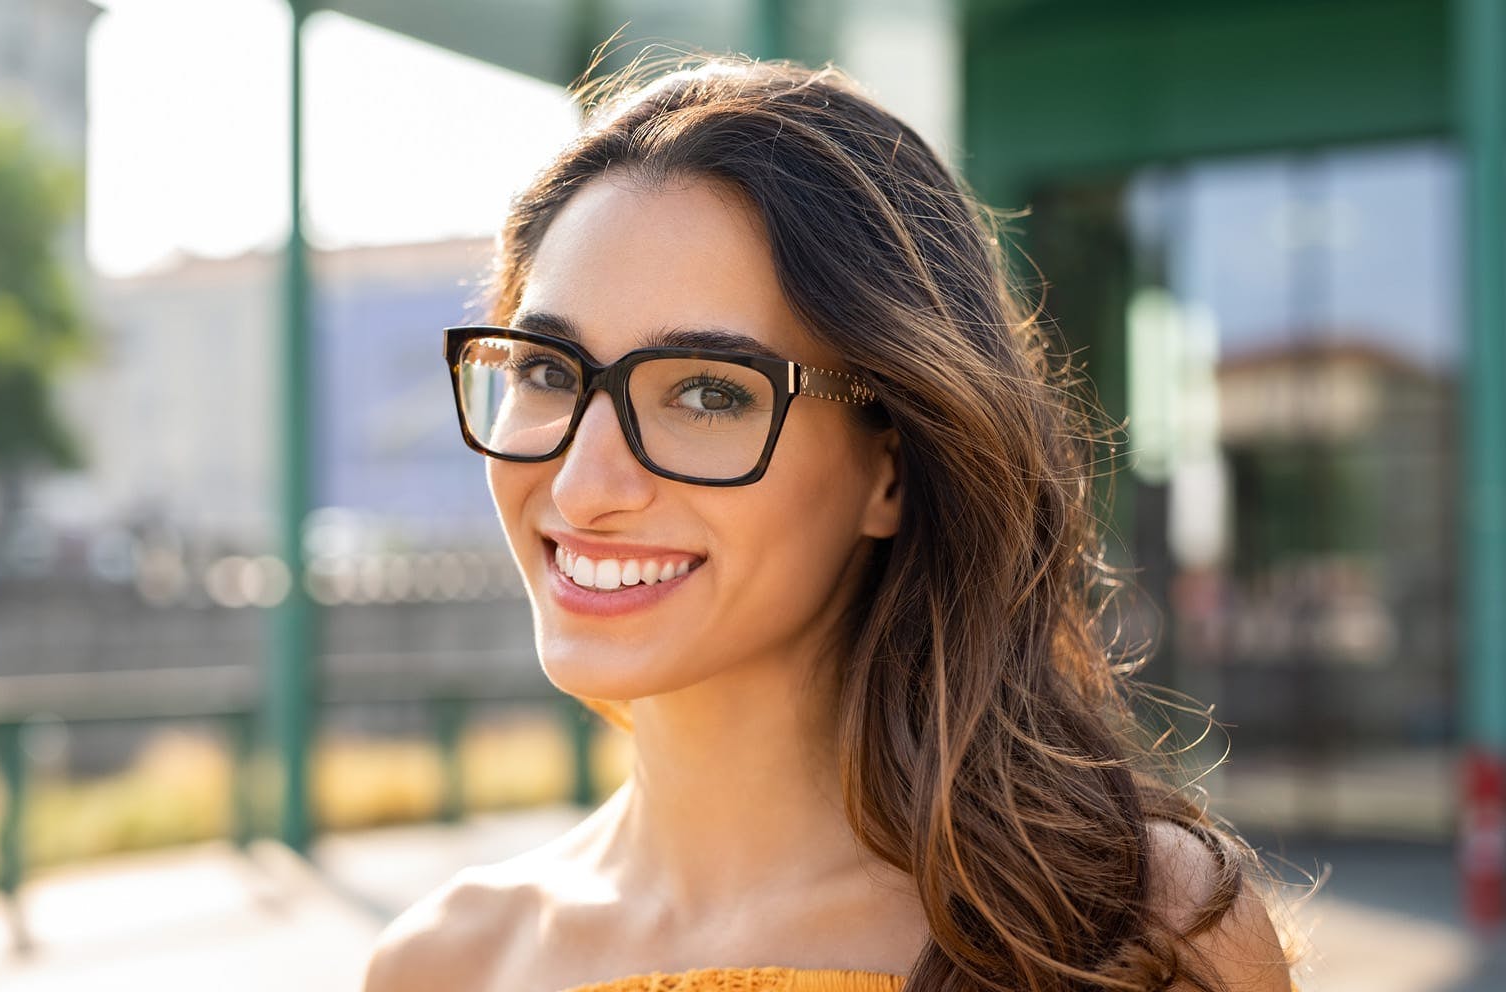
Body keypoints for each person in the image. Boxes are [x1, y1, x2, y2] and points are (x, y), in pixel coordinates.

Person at [364, 54, 1294, 992]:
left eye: (706, 392)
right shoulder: (443, 964)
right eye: (548, 373)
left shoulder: (1137, 934)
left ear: (889, 466)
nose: (581, 486)